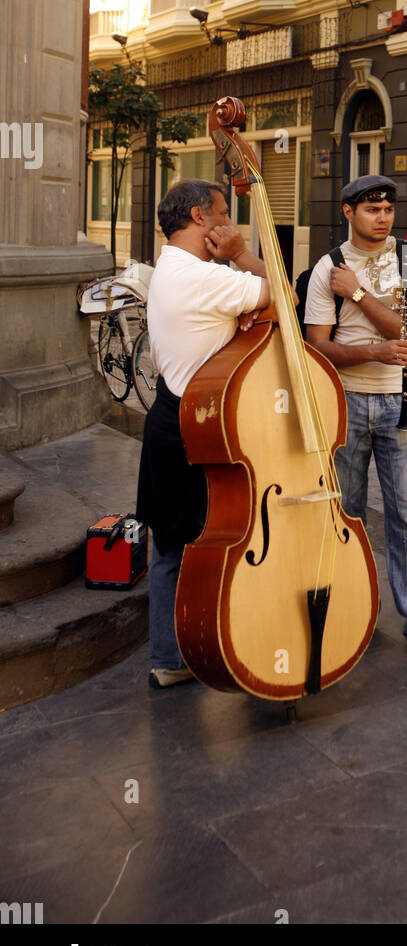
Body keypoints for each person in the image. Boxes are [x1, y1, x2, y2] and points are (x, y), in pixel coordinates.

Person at [304, 175, 407, 664]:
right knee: (342, 518)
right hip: (344, 404)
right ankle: (344, 619)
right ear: (348, 212)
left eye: (389, 208)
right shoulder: (326, 268)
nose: (383, 216)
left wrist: (358, 294)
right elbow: (316, 348)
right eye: (372, 208)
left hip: (399, 406)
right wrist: (374, 348)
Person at [136, 179, 271, 688]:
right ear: (199, 217)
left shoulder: (170, 267)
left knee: (171, 543)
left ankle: (170, 655)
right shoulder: (202, 278)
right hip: (193, 427)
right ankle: (180, 653)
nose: (229, 223)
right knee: (187, 543)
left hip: (172, 420)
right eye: (223, 213)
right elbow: (281, 292)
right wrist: (242, 254)